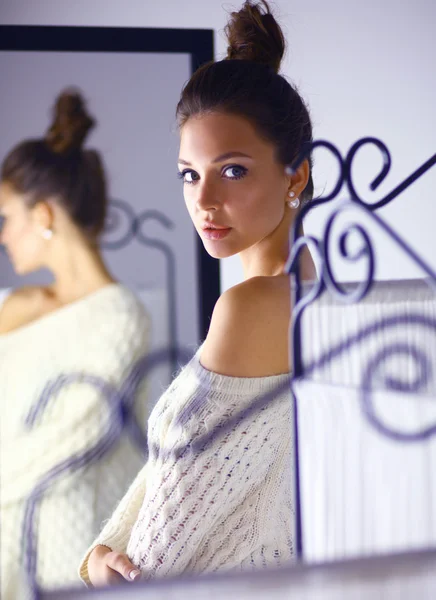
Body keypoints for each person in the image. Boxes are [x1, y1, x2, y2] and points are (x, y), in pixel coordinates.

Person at [81, 0, 316, 587]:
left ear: (297, 176)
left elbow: (156, 560)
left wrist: (98, 567)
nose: (204, 201)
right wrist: (102, 550)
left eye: (232, 170)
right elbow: (178, 469)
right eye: (191, 173)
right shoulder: (305, 279)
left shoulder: (252, 306)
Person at [0, 89, 150, 598]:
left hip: (69, 542)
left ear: (42, 215)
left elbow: (73, 438)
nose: (3, 236)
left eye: (7, 218)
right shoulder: (16, 305)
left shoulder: (122, 315)